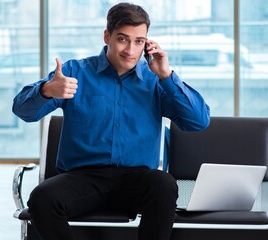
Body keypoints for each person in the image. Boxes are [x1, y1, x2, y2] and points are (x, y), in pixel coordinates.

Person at [12, 2, 210, 240]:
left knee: (163, 185)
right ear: (107, 36)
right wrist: (45, 90)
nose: (130, 50)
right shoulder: (75, 72)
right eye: (122, 39)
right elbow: (23, 111)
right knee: (42, 198)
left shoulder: (155, 80)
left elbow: (198, 121)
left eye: (139, 41)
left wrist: (167, 76)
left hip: (136, 180)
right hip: (82, 179)